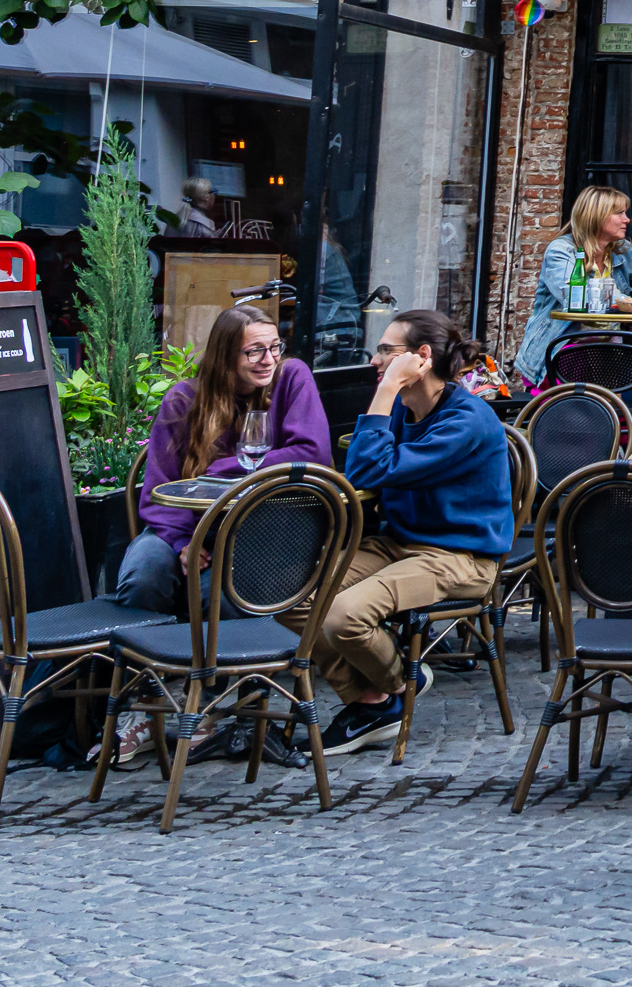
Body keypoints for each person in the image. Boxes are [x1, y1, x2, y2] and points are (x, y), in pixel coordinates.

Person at [309, 307, 513, 757]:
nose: (375, 360)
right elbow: (366, 469)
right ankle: (373, 699)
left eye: (385, 350)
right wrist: (390, 396)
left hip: (460, 556)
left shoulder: (467, 420)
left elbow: (369, 468)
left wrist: (385, 390)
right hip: (399, 543)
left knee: (344, 616)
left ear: (421, 357)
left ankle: (403, 680)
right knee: (293, 594)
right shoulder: (406, 409)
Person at [110, 304, 328, 613]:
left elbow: (312, 453)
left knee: (217, 600)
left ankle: (200, 661)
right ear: (226, 354)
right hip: (183, 528)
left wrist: (221, 469)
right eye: (254, 351)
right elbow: (159, 489)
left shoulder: (288, 380)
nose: (269, 359)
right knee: (144, 578)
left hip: (252, 535)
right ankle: (142, 659)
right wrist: (184, 544)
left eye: (275, 347)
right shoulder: (184, 400)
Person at [514, 184, 632, 382]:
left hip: (606, 352)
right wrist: (626, 302)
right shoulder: (562, 251)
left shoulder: (622, 250)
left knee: (616, 406)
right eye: (619, 213)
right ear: (597, 216)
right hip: (563, 349)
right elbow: (573, 295)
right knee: (582, 408)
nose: (627, 219)